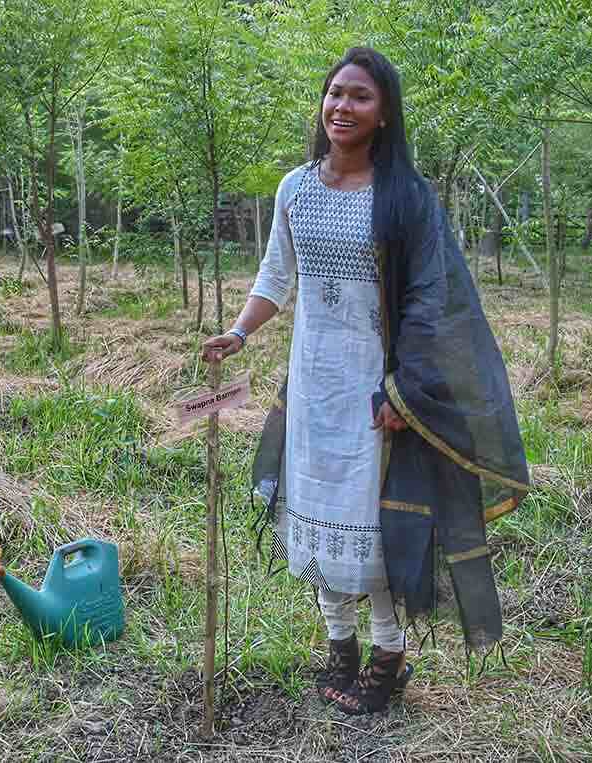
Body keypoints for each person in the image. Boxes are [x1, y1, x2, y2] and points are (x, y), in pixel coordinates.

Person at [202, 47, 529, 716]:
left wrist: (403, 393)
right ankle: (339, 645)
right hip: (313, 382)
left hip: (378, 393)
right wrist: (239, 332)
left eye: (360, 97)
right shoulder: (295, 187)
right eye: (335, 94)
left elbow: (429, 302)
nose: (342, 107)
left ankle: (387, 655)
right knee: (316, 515)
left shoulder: (405, 197)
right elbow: (276, 275)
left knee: (370, 529)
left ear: (384, 115)